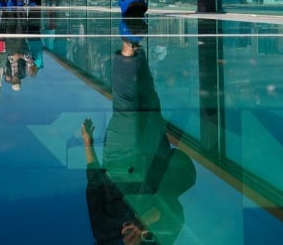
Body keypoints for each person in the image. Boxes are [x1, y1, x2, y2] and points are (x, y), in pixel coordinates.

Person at [80, 29, 196, 244]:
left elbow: (94, 189)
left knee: (127, 108)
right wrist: (145, 224)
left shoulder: (104, 236)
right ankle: (134, 47)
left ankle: (128, 45)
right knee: (150, 100)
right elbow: (175, 212)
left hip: (119, 164)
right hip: (153, 161)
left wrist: (88, 145)